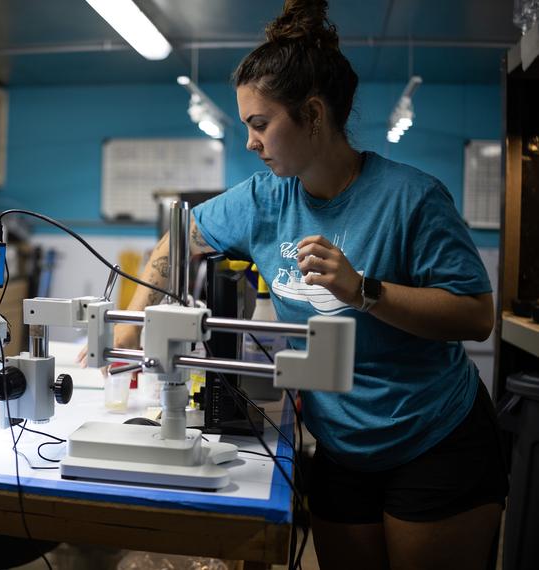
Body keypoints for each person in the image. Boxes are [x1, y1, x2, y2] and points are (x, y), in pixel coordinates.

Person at [105, 2, 508, 569]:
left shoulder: (412, 198)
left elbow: (474, 316)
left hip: (434, 439)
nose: (250, 142)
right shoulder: (264, 200)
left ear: (313, 115)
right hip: (340, 445)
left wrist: (365, 291)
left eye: (260, 123)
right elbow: (176, 243)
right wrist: (127, 332)